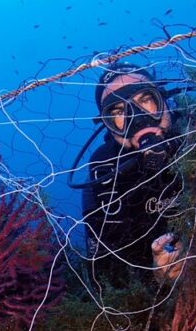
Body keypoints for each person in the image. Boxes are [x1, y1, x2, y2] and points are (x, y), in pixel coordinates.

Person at [72, 63, 187, 285]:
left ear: (163, 99)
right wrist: (157, 274)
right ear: (109, 126)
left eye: (145, 100)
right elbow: (106, 273)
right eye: (118, 112)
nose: (137, 117)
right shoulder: (105, 171)